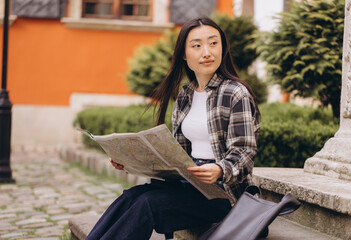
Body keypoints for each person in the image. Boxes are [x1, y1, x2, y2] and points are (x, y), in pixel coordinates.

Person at [86, 16, 260, 240]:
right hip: (189, 184)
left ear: (223, 48)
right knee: (131, 197)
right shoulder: (185, 96)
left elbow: (244, 153)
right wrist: (131, 162)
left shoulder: (236, 93)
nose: (207, 52)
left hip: (223, 195)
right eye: (197, 45)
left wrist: (219, 169)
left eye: (213, 43)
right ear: (185, 55)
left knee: (147, 204)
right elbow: (176, 155)